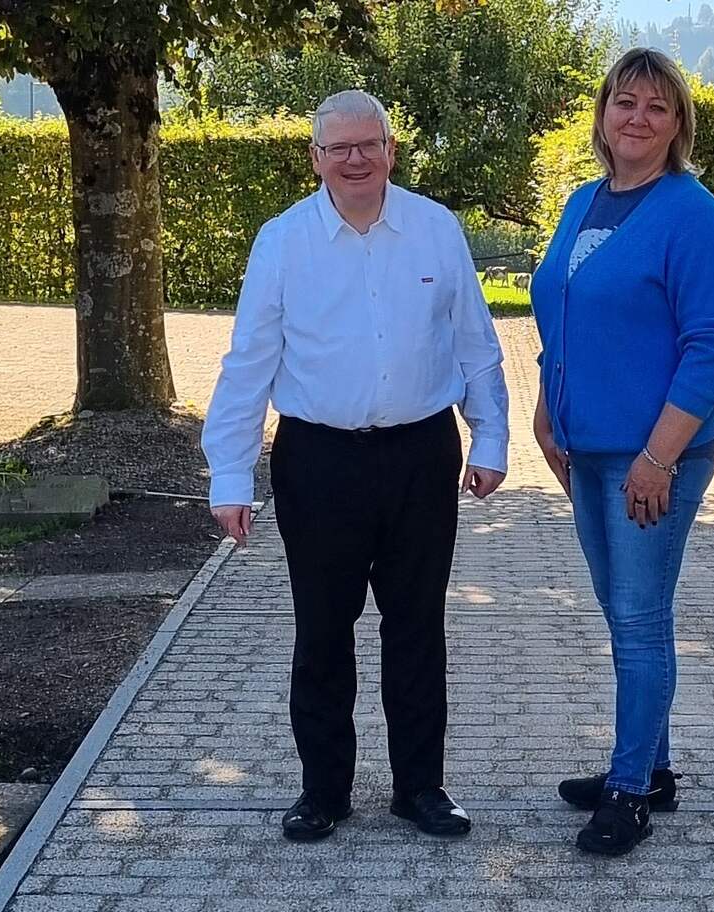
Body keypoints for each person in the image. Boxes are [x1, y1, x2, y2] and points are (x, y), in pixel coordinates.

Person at [202, 90, 509, 842]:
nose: (354, 159)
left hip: (419, 456)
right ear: (315, 158)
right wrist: (231, 475)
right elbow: (248, 364)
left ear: (390, 148)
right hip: (318, 462)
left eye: (367, 144)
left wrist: (491, 440)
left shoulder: (436, 231)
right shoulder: (282, 242)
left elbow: (475, 344)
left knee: (417, 630)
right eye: (337, 148)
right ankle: (323, 793)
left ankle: (421, 789)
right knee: (321, 633)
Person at [529, 48, 714, 856]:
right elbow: (561, 317)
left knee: (640, 620)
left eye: (657, 108)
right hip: (587, 453)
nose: (637, 119)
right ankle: (646, 767)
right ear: (603, 115)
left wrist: (657, 458)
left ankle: (629, 793)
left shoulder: (692, 213)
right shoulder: (583, 202)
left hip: (656, 458)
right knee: (626, 617)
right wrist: (549, 417)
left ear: (678, 125)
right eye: (625, 102)